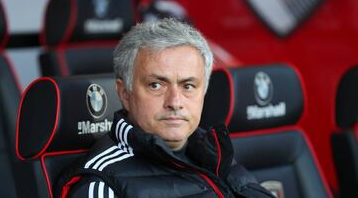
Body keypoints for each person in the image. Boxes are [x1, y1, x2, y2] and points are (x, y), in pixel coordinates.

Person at [56, 18, 274, 198]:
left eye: (188, 86)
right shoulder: (102, 184)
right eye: (156, 85)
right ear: (124, 93)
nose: (175, 101)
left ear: (203, 93)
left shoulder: (215, 156)